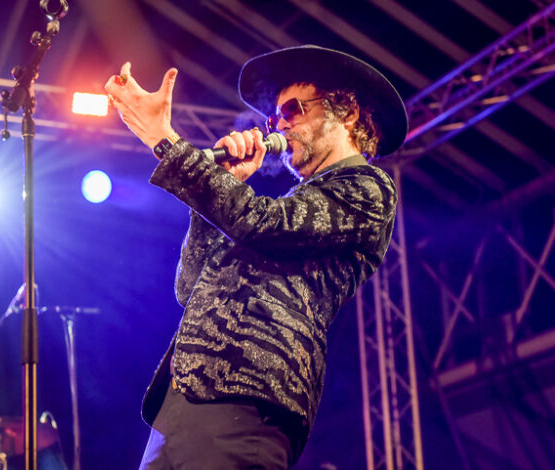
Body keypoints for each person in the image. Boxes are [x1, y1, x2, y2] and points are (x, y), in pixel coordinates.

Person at [104, 45, 408, 469]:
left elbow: (261, 221)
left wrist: (165, 140)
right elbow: (188, 287)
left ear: (348, 112)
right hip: (180, 405)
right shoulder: (280, 208)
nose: (280, 124)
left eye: (292, 110)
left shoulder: (367, 188)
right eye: (274, 118)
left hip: (247, 401)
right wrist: (219, 188)